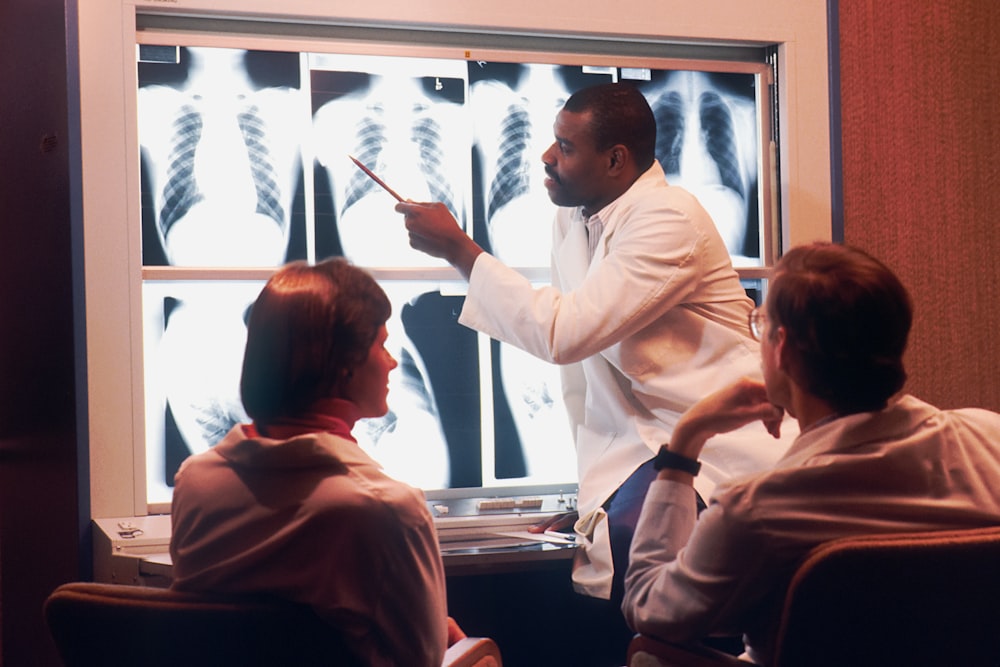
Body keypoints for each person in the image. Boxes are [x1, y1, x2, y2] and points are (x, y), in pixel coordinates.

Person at [395, 82, 796, 609]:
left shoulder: (669, 219)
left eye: (564, 147)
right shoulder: (573, 217)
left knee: (652, 590)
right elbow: (585, 378)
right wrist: (593, 496)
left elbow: (567, 334)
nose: (545, 157)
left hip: (721, 453)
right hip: (645, 452)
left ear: (615, 160)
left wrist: (461, 252)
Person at [622, 242, 1000, 665]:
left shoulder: (757, 510)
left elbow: (650, 610)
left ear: (781, 347)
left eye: (761, 323)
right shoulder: (990, 440)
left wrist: (685, 443)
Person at [169, 257, 464, 667]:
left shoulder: (195, 484)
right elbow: (421, 661)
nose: (392, 362)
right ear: (344, 366)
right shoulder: (388, 510)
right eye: (381, 344)